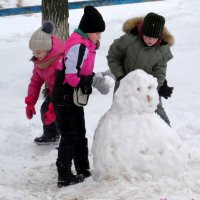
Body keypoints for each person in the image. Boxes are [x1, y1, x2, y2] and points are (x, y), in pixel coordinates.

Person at [45, 6, 109, 187]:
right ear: (88, 30)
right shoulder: (78, 46)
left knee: (80, 133)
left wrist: (92, 79)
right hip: (64, 97)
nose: (99, 36)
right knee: (70, 135)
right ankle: (64, 175)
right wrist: (91, 81)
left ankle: (83, 169)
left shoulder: (86, 44)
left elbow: (81, 72)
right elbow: (71, 77)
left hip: (72, 97)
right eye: (97, 32)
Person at [107, 12, 174, 126]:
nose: (150, 40)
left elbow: (160, 72)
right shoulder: (128, 40)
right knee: (123, 118)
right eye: (147, 36)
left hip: (147, 89)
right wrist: (121, 77)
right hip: (125, 87)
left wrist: (157, 86)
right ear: (142, 32)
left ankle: (167, 139)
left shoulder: (162, 50)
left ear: (160, 37)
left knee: (158, 116)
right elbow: (113, 57)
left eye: (154, 38)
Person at [25, 21, 65, 144]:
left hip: (65, 93)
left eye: (38, 52)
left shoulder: (59, 60)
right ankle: (51, 135)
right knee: (44, 109)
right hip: (53, 91)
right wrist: (30, 101)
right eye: (33, 52)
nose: (36, 55)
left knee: (62, 116)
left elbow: (63, 85)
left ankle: (66, 139)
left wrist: (54, 106)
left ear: (47, 49)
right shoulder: (40, 63)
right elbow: (35, 82)